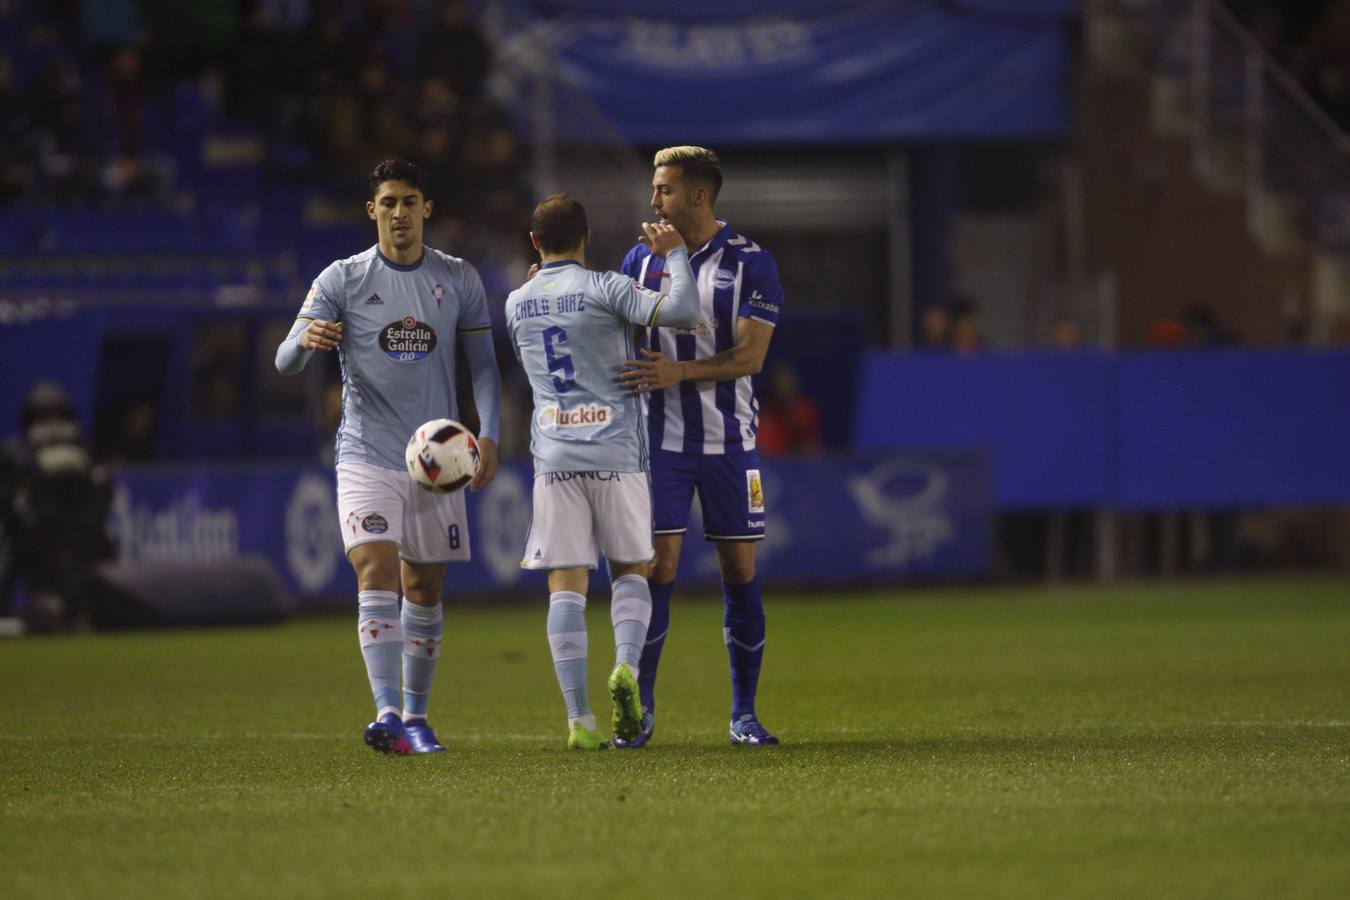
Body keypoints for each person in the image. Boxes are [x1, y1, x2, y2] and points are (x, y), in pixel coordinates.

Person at [275, 158, 502, 755]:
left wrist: (493, 436)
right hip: (366, 451)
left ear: (426, 208)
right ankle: (389, 714)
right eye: (388, 203)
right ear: (370, 210)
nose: (399, 213)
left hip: (438, 460)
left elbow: (483, 369)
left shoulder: (458, 278)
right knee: (374, 570)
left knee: (424, 588)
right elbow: (284, 362)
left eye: (409, 201)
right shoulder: (341, 280)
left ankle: (419, 717)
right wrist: (305, 340)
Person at [506, 193, 698, 749]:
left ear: (535, 241)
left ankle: (578, 721)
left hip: (555, 456)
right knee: (633, 570)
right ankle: (627, 672)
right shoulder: (608, 288)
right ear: (586, 237)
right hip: (616, 451)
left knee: (564, 585)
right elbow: (683, 313)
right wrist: (676, 255)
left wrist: (534, 284)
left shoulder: (517, 301)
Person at [617, 146, 784, 747]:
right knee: (656, 566)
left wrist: (679, 374)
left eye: (663, 189)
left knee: (738, 568)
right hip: (655, 442)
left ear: (698, 196)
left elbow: (752, 356)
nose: (653, 200)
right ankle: (642, 710)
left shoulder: (750, 264)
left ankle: (744, 713)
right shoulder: (639, 261)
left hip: (727, 441)